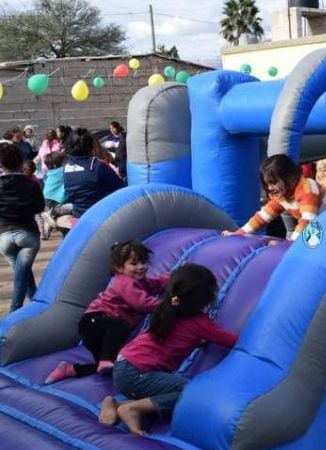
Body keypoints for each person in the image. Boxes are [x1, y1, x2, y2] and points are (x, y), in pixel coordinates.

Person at [99, 264, 237, 435]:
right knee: (190, 391)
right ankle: (132, 409)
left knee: (167, 387)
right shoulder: (199, 323)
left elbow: (173, 337)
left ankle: (114, 403)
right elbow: (232, 340)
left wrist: (197, 341)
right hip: (137, 375)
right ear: (205, 298)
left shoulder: (166, 309)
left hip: (123, 366)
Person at [44, 241, 169, 384]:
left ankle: (71, 369)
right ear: (118, 267)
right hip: (96, 322)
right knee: (120, 325)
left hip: (102, 329)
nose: (140, 267)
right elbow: (141, 303)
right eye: (134, 264)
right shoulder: (124, 281)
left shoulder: (141, 281)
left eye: (143, 262)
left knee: (116, 366)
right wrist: (167, 305)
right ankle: (105, 359)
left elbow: (155, 284)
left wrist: (171, 278)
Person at [224, 154, 326, 242]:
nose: (270, 188)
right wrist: (238, 234)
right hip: (322, 224)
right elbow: (262, 217)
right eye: (266, 184)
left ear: (289, 177)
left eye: (273, 182)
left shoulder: (306, 188)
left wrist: (288, 245)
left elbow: (307, 221)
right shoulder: (283, 194)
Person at [0, 143, 44, 312]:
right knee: (22, 274)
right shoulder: (31, 184)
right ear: (20, 162)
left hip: (4, 236)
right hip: (28, 235)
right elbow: (39, 208)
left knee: (22, 272)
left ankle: (35, 303)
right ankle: (15, 309)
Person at [64, 128, 124, 218]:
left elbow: (70, 194)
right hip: (100, 216)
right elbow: (119, 188)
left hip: (78, 215)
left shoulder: (66, 167)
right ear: (91, 145)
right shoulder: (97, 165)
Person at [41, 152, 72, 237]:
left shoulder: (49, 173)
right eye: (64, 161)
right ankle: (52, 213)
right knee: (74, 207)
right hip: (55, 201)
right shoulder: (62, 171)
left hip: (47, 199)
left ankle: (50, 218)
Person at [22, 160, 46, 240]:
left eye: (26, 170)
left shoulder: (35, 180)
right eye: (23, 169)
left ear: (32, 170)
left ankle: (42, 233)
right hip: (26, 202)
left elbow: (39, 192)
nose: (24, 171)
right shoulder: (23, 179)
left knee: (38, 217)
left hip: (33, 202)